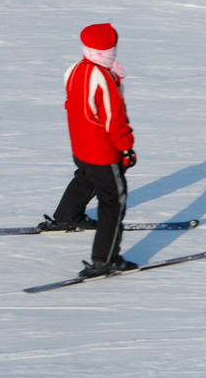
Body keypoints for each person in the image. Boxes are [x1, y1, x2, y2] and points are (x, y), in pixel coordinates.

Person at [39, 23, 138, 278]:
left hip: (80, 145)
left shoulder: (75, 69)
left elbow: (72, 105)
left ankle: (66, 217)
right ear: (111, 49)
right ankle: (106, 260)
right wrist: (126, 149)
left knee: (85, 176)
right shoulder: (103, 78)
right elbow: (114, 120)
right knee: (113, 202)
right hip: (103, 152)